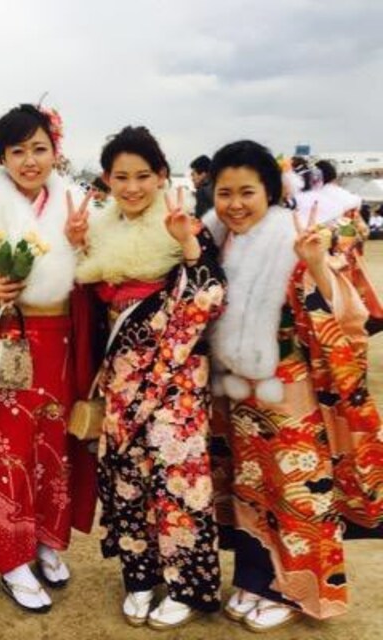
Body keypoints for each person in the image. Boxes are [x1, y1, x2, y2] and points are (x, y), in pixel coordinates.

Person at [205, 140, 383, 632]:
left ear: (270, 191)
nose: (235, 204)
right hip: (234, 394)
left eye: (247, 192)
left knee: (294, 491)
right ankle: (255, 579)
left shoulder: (294, 240)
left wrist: (318, 265)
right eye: (224, 192)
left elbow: (347, 319)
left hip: (289, 394)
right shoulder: (214, 241)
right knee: (246, 489)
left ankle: (295, 590)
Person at [69, 126, 226, 629]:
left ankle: (185, 584)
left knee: (179, 477)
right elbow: (93, 306)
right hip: (120, 375)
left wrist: (187, 244)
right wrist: (78, 249)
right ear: (107, 180)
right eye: (121, 177)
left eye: (142, 176)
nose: (132, 187)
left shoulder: (183, 224)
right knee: (128, 477)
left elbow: (208, 299)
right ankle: (139, 575)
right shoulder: (100, 230)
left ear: (161, 176)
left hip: (175, 376)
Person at [0, 104, 97, 614]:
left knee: (55, 445)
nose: (30, 160)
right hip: (7, 340)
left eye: (40, 149)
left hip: (62, 340)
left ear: (56, 152)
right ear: (2, 157)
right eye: (18, 150)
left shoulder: (75, 203)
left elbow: (98, 278)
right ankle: (12, 557)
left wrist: (82, 246)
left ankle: (48, 541)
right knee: (7, 449)